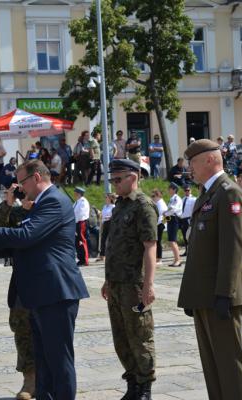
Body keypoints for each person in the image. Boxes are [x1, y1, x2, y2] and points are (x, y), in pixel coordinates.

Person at [0, 160, 89, 400]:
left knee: (58, 359)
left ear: (36, 178)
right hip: (40, 292)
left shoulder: (53, 201)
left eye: (22, 181)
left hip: (56, 291)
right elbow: (31, 244)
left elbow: (27, 235)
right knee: (43, 360)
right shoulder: (41, 203)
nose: (21, 188)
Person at [177, 139, 242, 400]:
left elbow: (233, 247)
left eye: (193, 162)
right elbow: (198, 250)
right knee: (212, 364)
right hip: (204, 295)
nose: (190, 169)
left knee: (228, 362)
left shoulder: (228, 192)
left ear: (209, 160)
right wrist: (190, 293)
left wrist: (224, 293)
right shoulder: (208, 194)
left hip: (221, 295)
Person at [102, 158, 158, 400]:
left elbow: (150, 247)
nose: (114, 184)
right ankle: (132, 383)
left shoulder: (143, 206)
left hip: (134, 283)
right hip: (116, 283)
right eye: (112, 179)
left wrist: (149, 285)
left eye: (118, 179)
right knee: (121, 337)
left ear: (133, 177)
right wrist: (107, 280)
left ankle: (145, 387)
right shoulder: (120, 206)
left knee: (140, 336)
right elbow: (113, 246)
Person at [0, 190, 36, 399]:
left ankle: (49, 377)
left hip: (48, 279)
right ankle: (30, 379)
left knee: (49, 330)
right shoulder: (16, 213)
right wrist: (8, 203)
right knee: (22, 328)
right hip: (22, 280)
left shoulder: (49, 208)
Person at [164, 182, 183, 267]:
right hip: (170, 219)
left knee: (172, 241)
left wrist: (165, 213)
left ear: (174, 189)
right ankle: (176, 259)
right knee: (171, 241)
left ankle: (178, 260)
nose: (168, 190)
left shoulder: (176, 198)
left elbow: (173, 209)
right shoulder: (172, 198)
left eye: (170, 188)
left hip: (174, 219)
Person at [73, 187, 90, 266]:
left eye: (75, 192)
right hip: (76, 223)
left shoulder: (83, 201)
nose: (74, 194)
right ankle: (81, 259)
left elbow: (81, 214)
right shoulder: (77, 202)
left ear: (79, 193)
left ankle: (85, 260)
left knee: (82, 240)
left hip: (81, 222)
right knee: (77, 242)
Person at [97, 193, 116, 262]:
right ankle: (102, 255)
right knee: (103, 239)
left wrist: (109, 217)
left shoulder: (113, 206)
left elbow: (113, 216)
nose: (105, 198)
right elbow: (102, 215)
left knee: (111, 239)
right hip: (105, 223)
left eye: (106, 197)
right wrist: (100, 215)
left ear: (110, 198)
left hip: (110, 223)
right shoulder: (105, 206)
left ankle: (112, 254)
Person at [179, 184, 196, 257]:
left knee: (190, 235)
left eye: (188, 190)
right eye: (185, 190)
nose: (187, 192)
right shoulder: (182, 199)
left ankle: (192, 251)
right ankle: (187, 250)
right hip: (182, 219)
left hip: (189, 219)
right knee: (184, 236)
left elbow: (194, 210)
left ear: (191, 190)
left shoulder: (194, 199)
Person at [151, 188, 167, 265]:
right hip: (157, 224)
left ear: (158, 196)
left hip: (160, 224)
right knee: (156, 242)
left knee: (158, 242)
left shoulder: (161, 203)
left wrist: (163, 224)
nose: (152, 197)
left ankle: (159, 259)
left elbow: (162, 215)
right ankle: (157, 258)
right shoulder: (157, 203)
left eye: (153, 196)